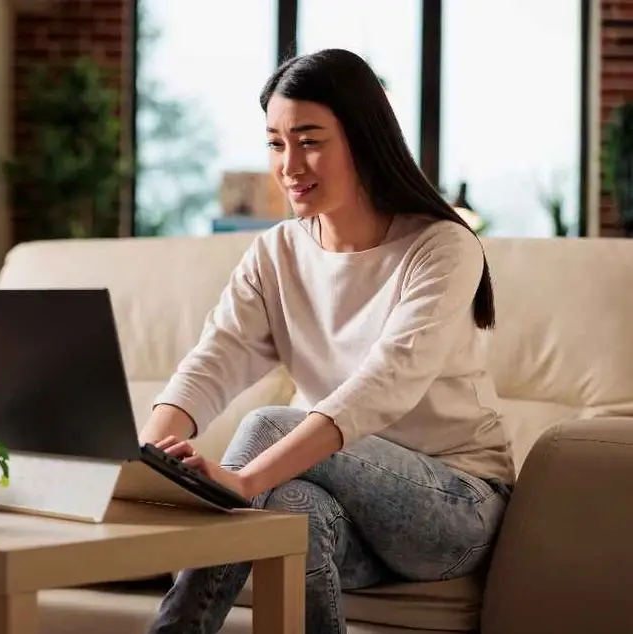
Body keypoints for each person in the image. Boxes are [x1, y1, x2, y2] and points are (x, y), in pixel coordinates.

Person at [138, 48, 516, 634]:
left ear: (363, 139)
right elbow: (215, 358)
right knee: (293, 515)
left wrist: (241, 483)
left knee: (269, 425)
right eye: (274, 143)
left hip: (454, 509)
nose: (289, 163)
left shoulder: (443, 246)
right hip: (350, 514)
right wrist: (143, 462)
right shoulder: (277, 252)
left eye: (309, 140)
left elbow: (381, 387)